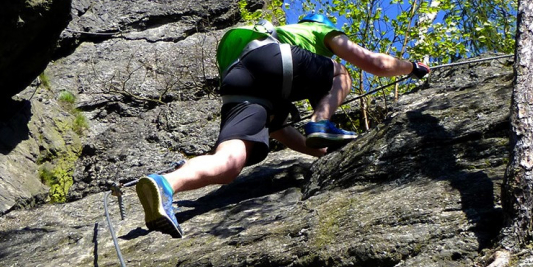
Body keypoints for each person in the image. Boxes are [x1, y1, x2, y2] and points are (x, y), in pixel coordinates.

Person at [135, 13, 430, 238]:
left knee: (228, 164)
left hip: (239, 79)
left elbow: (277, 129)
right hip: (275, 59)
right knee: (341, 74)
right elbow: (374, 63)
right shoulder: (316, 29)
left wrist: (326, 153)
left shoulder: (271, 39)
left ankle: (164, 184)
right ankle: (322, 120)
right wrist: (413, 68)